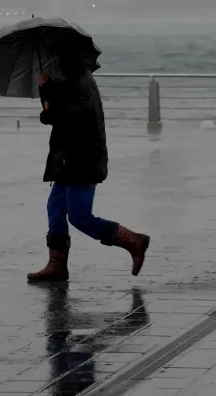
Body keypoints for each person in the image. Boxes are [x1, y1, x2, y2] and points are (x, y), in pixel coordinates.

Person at [27, 53, 150, 283]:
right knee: (55, 210)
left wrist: (48, 112)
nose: (49, 64)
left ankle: (133, 240)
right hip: (65, 158)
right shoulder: (68, 79)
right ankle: (57, 266)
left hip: (82, 160)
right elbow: (58, 108)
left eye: (51, 60)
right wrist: (45, 88)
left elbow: (72, 116)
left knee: (79, 216)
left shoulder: (79, 83)